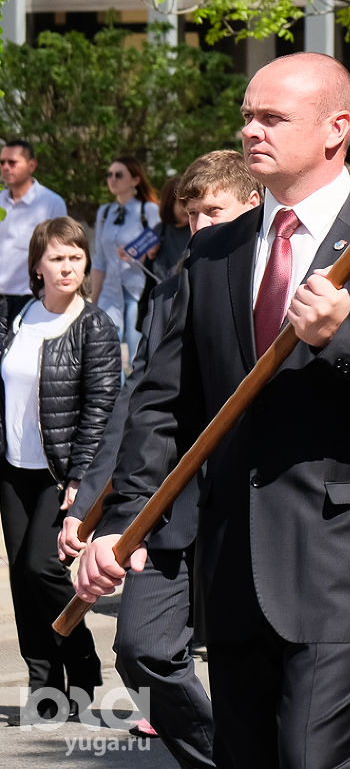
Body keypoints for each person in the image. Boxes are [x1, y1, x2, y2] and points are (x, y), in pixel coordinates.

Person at [75, 52, 350, 768]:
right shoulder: (212, 254)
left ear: (336, 130)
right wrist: (124, 524)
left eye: (272, 118)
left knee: (310, 759)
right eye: (247, 116)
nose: (250, 131)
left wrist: (347, 337)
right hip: (233, 566)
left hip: (345, 563)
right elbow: (164, 408)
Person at [60, 150, 260, 767]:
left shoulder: (282, 279)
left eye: (213, 212)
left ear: (253, 207)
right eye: (191, 215)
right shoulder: (176, 284)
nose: (199, 227)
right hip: (165, 499)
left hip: (251, 502)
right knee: (143, 648)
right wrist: (92, 502)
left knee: (247, 665)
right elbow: (139, 396)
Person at [1, 215, 117, 716]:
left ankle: (83, 665)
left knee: (41, 566)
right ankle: (44, 685)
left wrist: (81, 480)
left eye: (76, 257)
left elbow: (101, 409)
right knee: (21, 581)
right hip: (12, 470)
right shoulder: (19, 317)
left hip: (59, 474)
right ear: (37, 267)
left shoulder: (94, 325)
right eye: (57, 258)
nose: (68, 267)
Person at [91, 155, 162, 356]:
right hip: (109, 292)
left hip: (137, 291)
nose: (112, 179)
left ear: (135, 180)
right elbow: (100, 260)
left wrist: (136, 254)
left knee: (135, 354)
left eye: (119, 175)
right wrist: (94, 301)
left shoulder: (148, 210)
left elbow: (156, 249)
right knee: (105, 352)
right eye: (109, 175)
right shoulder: (104, 212)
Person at [0, 139, 68, 324]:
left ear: (32, 165)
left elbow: (61, 252)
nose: (6, 167)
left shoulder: (51, 203)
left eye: (12, 162)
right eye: (2, 162)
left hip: (30, 299)